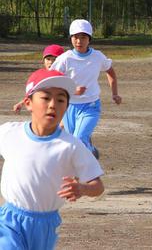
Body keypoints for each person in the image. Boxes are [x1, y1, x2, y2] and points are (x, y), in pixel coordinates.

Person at [0, 69, 104, 249]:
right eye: (46, 98)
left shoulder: (71, 145)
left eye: (61, 100)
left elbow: (98, 187)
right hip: (9, 220)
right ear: (28, 103)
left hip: (45, 224)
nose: (53, 105)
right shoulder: (9, 132)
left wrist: (82, 188)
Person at [51, 19, 122, 159]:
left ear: (89, 39)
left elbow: (111, 72)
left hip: (91, 105)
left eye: (83, 37)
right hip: (69, 107)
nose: (79, 41)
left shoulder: (97, 57)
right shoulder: (65, 59)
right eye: (75, 37)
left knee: (78, 139)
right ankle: (88, 151)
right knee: (73, 143)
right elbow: (52, 80)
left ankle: (88, 150)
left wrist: (115, 94)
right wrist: (72, 90)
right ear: (71, 38)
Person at [13, 44, 64, 114]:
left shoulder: (65, 77)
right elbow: (32, 92)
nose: (51, 62)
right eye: (48, 59)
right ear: (43, 61)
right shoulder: (40, 76)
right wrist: (21, 103)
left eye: (54, 59)